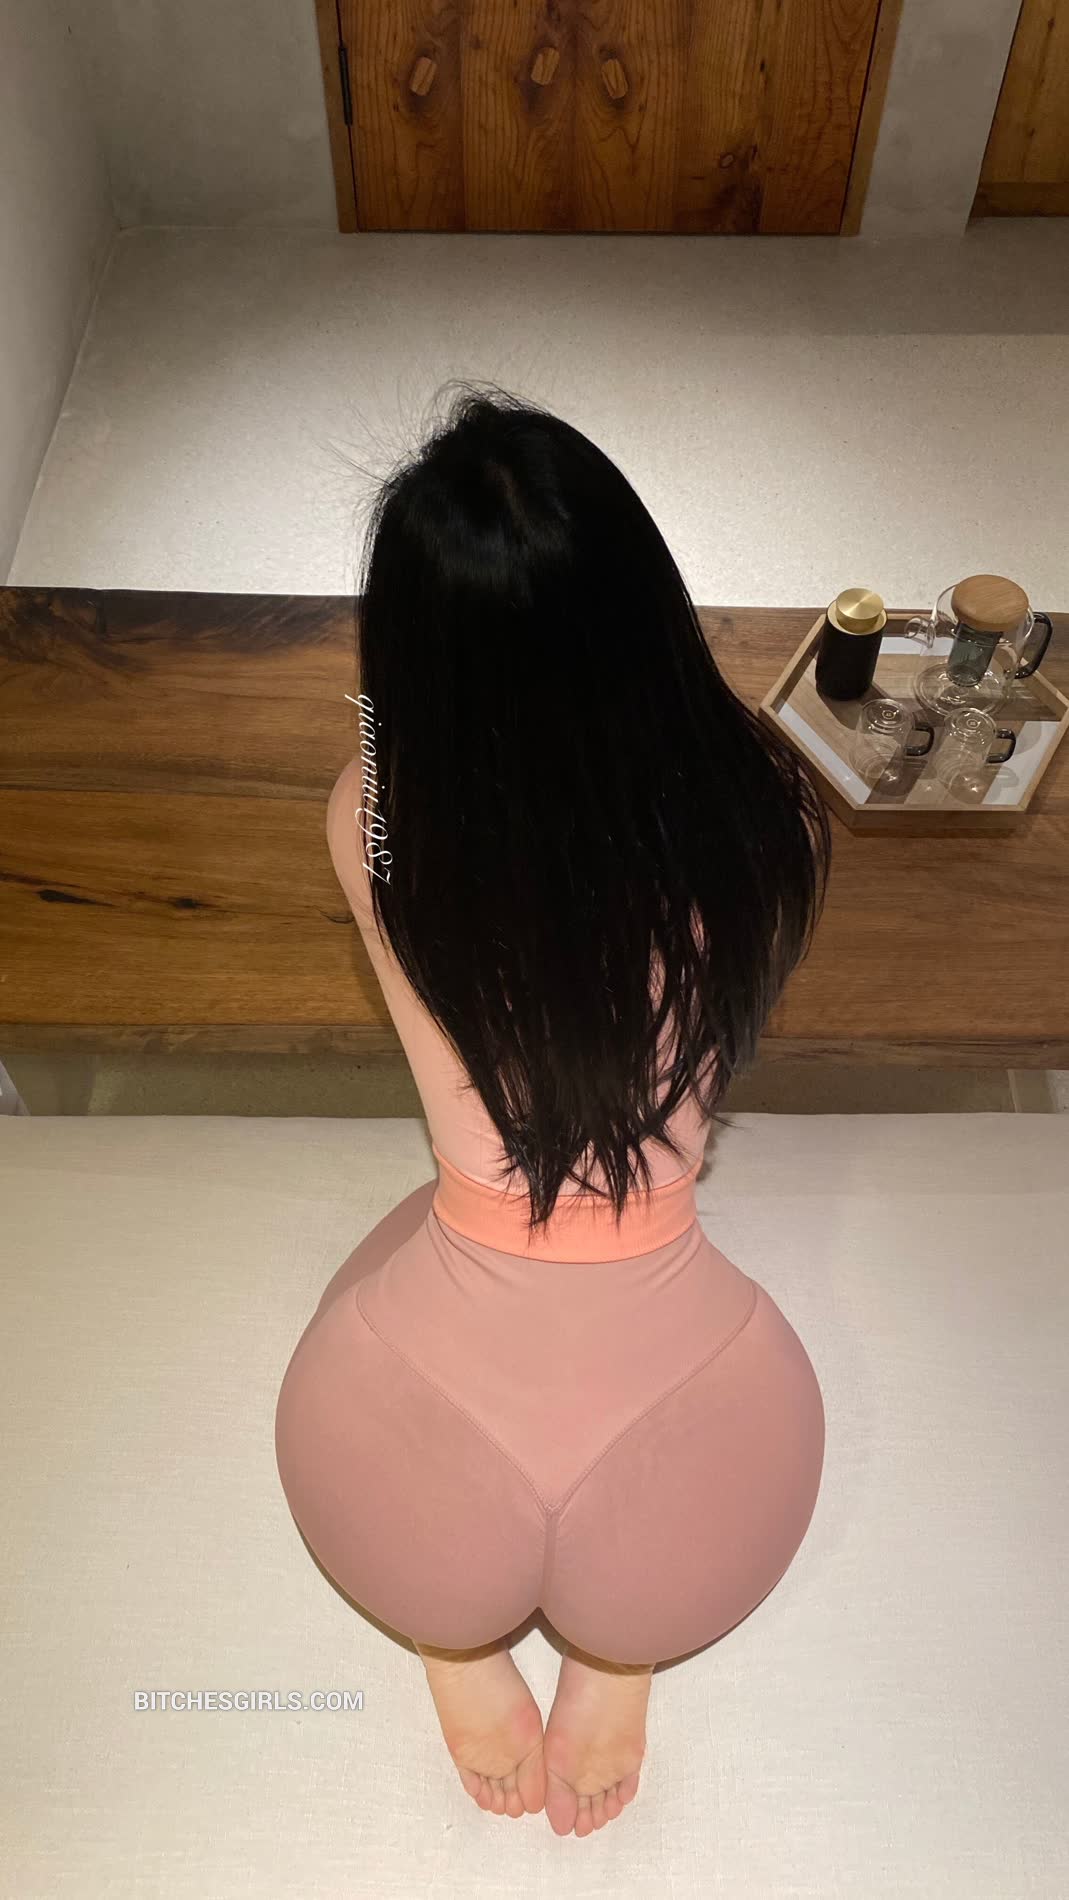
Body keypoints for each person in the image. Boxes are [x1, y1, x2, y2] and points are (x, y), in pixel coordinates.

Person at [274, 381, 831, 1839]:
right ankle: (619, 1652)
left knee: (397, 1260)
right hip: (696, 1422)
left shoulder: (371, 820)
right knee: (663, 1530)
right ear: (649, 609)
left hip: (408, 1425)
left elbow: (389, 755)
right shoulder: (765, 811)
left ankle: (452, 1645)